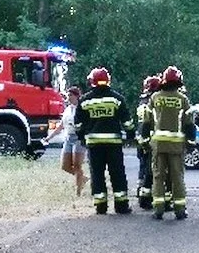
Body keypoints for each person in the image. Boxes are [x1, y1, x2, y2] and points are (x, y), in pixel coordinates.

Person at [74, 67, 133, 215]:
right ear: (108, 81)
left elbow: (78, 124)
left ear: (92, 81)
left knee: (97, 174)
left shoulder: (85, 100)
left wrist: (82, 137)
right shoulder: (117, 99)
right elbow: (127, 122)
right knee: (117, 173)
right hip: (114, 143)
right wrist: (130, 135)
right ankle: (121, 206)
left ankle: (101, 206)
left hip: (94, 144)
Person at [143, 66, 192, 220]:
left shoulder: (155, 98)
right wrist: (190, 142)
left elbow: (146, 122)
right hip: (176, 145)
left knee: (158, 176)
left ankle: (158, 208)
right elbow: (189, 123)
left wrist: (145, 141)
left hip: (158, 144)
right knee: (177, 176)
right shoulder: (183, 99)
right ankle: (180, 209)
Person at [45, 86, 87, 196]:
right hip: (68, 138)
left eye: (71, 95)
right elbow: (61, 126)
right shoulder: (67, 109)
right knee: (65, 166)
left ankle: (78, 191)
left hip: (78, 138)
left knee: (77, 165)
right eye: (68, 95)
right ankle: (82, 178)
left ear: (77, 96)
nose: (68, 98)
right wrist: (49, 138)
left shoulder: (82, 108)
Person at [135, 75, 162, 210]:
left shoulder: (142, 101)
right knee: (150, 171)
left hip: (141, 140)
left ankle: (140, 191)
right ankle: (146, 198)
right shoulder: (153, 102)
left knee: (143, 168)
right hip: (151, 140)